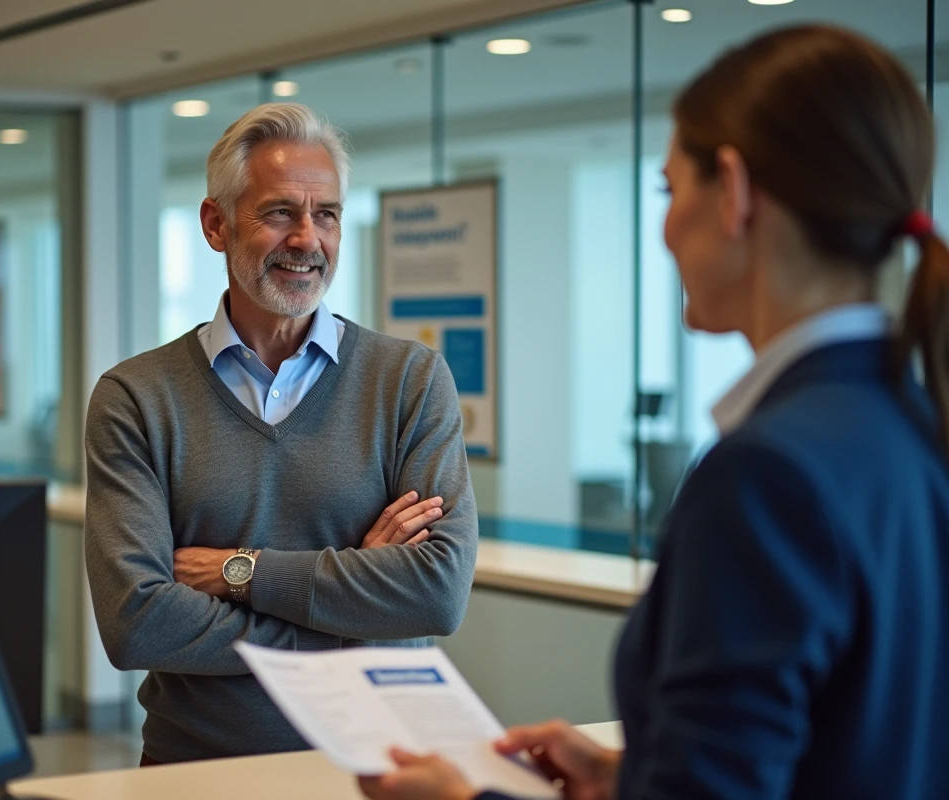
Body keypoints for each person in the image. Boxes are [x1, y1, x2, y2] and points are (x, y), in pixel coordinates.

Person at [359, 24, 949, 800]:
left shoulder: (766, 475)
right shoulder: (913, 425)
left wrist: (462, 799)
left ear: (734, 190)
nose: (665, 230)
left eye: (670, 192)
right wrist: (630, 776)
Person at [84, 103, 478, 765]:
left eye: (326, 214)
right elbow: (137, 624)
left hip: (380, 768)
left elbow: (436, 593)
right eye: (279, 213)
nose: (307, 239)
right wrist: (352, 620)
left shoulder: (409, 380)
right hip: (198, 773)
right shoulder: (136, 398)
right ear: (216, 224)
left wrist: (239, 571)